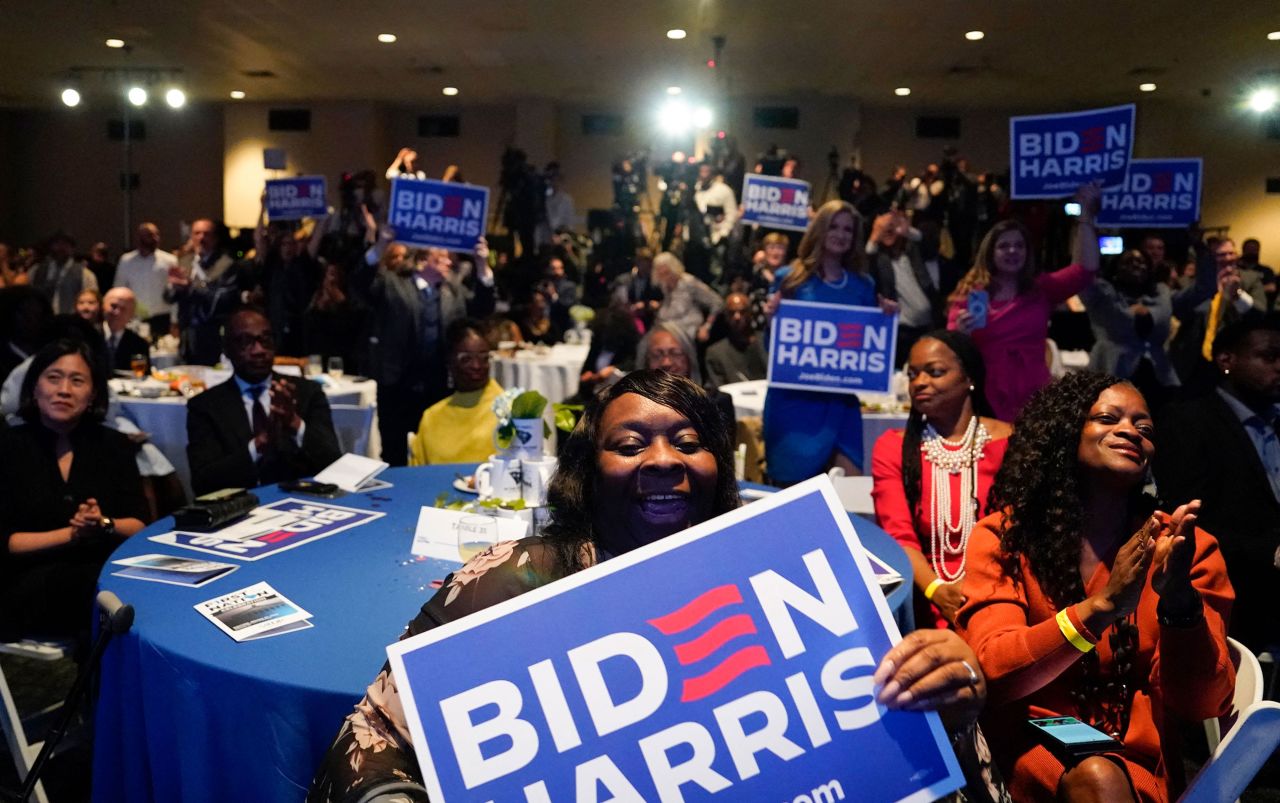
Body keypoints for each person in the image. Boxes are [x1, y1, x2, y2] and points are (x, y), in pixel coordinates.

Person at [308, 371, 996, 802]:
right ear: (585, 469)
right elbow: (373, 729)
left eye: (687, 441)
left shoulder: (797, 577)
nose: (663, 460)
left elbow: (894, 755)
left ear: (718, 467)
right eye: (631, 443)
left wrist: (952, 716)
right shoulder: (509, 579)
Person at [957, 371, 1234, 801]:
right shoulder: (1005, 538)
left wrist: (1179, 604)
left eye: (1144, 428)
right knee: (1097, 778)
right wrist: (1100, 608)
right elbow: (995, 672)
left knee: (1104, 778)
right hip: (1029, 745)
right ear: (1065, 433)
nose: (1130, 431)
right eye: (1108, 418)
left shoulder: (1183, 549)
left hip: (1136, 756)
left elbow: (1201, 704)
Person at [0, 339, 147, 643]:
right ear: (34, 387)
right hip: (27, 578)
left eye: (77, 380)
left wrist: (103, 523)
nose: (64, 390)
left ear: (92, 394)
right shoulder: (8, 446)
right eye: (53, 378)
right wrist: (72, 534)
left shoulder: (114, 445)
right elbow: (7, 542)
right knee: (91, 589)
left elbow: (140, 525)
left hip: (100, 571)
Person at [1155, 316, 1280, 652]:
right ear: (1226, 360)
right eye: (1269, 357)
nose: (1279, 367)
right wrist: (1269, 552)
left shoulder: (1275, 421)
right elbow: (1185, 519)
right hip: (1231, 596)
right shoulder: (1189, 421)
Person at [871, 331, 1011, 629]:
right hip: (924, 596)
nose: (919, 382)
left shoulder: (1010, 442)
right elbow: (899, 535)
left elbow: (1018, 534)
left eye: (935, 372)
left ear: (968, 377)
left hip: (998, 593)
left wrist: (980, 593)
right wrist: (937, 590)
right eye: (913, 374)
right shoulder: (894, 447)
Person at [762, 200, 893, 484]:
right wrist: (773, 321)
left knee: (851, 494)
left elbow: (867, 346)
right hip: (794, 405)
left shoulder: (863, 285)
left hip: (841, 405)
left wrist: (885, 319)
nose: (841, 234)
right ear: (819, 229)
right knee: (792, 499)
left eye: (848, 229)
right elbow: (772, 350)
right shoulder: (790, 278)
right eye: (833, 226)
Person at [947, 183, 1102, 421]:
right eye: (1004, 246)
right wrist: (960, 334)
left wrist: (1085, 217)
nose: (1012, 251)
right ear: (990, 252)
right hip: (986, 396)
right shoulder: (969, 295)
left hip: (1033, 395)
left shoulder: (1041, 289)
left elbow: (1085, 269)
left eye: (1019, 246)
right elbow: (952, 350)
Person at [356, 209, 495, 466]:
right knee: (394, 456)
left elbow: (482, 310)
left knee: (438, 451)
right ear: (422, 259)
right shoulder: (393, 285)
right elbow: (361, 284)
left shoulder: (454, 291)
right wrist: (382, 243)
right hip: (396, 387)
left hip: (439, 388)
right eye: (441, 257)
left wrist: (482, 265)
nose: (449, 262)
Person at [186, 308, 342, 496]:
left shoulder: (306, 393)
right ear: (226, 350)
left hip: (303, 501)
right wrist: (259, 445)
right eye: (245, 342)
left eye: (265, 340)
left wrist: (294, 423)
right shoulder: (205, 407)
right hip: (240, 508)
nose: (259, 350)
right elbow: (203, 483)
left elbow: (334, 463)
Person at [1079, 248, 1214, 410]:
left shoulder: (1161, 294)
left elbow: (1204, 288)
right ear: (1115, 267)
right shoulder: (1102, 295)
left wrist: (1200, 248)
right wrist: (1087, 228)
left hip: (1158, 377)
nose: (1136, 265)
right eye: (1128, 261)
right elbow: (1082, 275)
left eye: (1141, 261)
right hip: (1111, 373)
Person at [408, 318, 504, 465]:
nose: (477, 366)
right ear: (450, 362)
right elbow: (419, 475)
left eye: (483, 358)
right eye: (466, 359)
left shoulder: (509, 409)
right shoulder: (432, 418)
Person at [165, 218, 250, 365]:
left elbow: (224, 300)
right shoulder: (184, 262)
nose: (201, 238)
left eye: (206, 234)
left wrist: (191, 287)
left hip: (213, 337)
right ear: (191, 237)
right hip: (186, 336)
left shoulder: (226, 265)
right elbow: (168, 297)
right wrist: (174, 288)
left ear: (215, 238)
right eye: (197, 233)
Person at [868, 210, 945, 366]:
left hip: (929, 327)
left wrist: (908, 231)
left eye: (893, 226)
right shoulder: (878, 259)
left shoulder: (914, 251)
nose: (888, 231)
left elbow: (931, 245)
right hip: (899, 332)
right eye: (883, 227)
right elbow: (864, 267)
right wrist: (874, 238)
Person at [636, 322, 736, 432]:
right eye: (656, 355)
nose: (666, 362)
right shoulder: (636, 409)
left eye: (675, 353)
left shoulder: (715, 404)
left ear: (690, 358)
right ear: (645, 362)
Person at [303, 263, 367, 378]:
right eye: (329, 274)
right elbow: (309, 330)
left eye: (335, 274)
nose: (332, 279)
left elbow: (352, 330)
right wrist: (320, 309)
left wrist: (342, 304)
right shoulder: (316, 299)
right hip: (319, 359)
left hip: (343, 361)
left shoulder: (352, 301)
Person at [114, 221, 179, 336]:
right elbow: (119, 291)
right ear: (139, 238)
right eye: (150, 235)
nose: (155, 238)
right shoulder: (126, 261)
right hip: (135, 319)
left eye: (157, 235)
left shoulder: (170, 260)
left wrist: (175, 320)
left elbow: (175, 292)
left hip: (162, 317)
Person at [652, 251, 723, 343]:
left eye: (666, 272)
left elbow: (717, 302)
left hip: (688, 335)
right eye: (660, 273)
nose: (664, 277)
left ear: (673, 268)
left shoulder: (689, 282)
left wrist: (707, 327)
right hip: (668, 334)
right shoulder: (664, 286)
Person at [704, 291, 768, 390]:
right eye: (731, 313)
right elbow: (720, 393)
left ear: (750, 313)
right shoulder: (716, 353)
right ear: (726, 316)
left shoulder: (768, 343)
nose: (737, 317)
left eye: (742, 312)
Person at [31, 232, 98, 315]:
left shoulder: (85, 274)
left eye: (65, 244)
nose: (60, 248)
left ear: (72, 248)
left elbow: (92, 302)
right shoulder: (36, 271)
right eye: (57, 244)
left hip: (71, 322)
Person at [101, 287, 151, 374]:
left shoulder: (139, 345)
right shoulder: (89, 337)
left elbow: (143, 377)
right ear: (103, 306)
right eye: (113, 306)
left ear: (131, 314)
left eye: (123, 309)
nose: (117, 312)